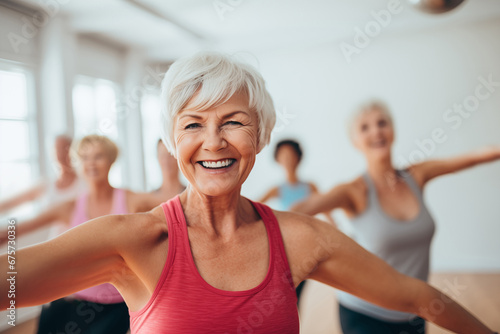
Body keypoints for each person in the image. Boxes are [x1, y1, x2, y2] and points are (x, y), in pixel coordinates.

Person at [0, 52, 496, 334]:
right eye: (193, 124)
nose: (213, 141)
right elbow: (11, 281)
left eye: (233, 122)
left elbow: (416, 295)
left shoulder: (301, 240)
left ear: (259, 136)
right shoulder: (134, 239)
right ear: (174, 143)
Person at [291, 100, 500, 333]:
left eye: (382, 123)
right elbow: (305, 207)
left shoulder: (417, 175)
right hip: (363, 313)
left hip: (415, 312)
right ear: (354, 141)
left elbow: (474, 157)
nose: (376, 131)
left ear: (393, 130)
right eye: (365, 127)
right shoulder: (354, 191)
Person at [1, 135, 162, 333]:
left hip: (116, 304)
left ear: (111, 160)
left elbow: (175, 210)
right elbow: (18, 227)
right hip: (73, 298)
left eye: (98, 156)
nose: (91, 164)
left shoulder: (133, 200)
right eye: (84, 158)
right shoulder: (69, 207)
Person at [259, 139, 335, 303]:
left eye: (291, 155)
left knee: (295, 294)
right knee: (286, 295)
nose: (287, 159)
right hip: (284, 248)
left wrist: (337, 232)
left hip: (307, 247)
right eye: (283, 156)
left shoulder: (310, 187)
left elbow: (327, 212)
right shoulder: (277, 190)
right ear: (278, 160)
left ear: (298, 158)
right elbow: (253, 208)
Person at [0, 134, 83, 214]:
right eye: (57, 149)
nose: (62, 153)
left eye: (66, 148)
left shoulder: (86, 183)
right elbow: (10, 203)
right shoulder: (45, 185)